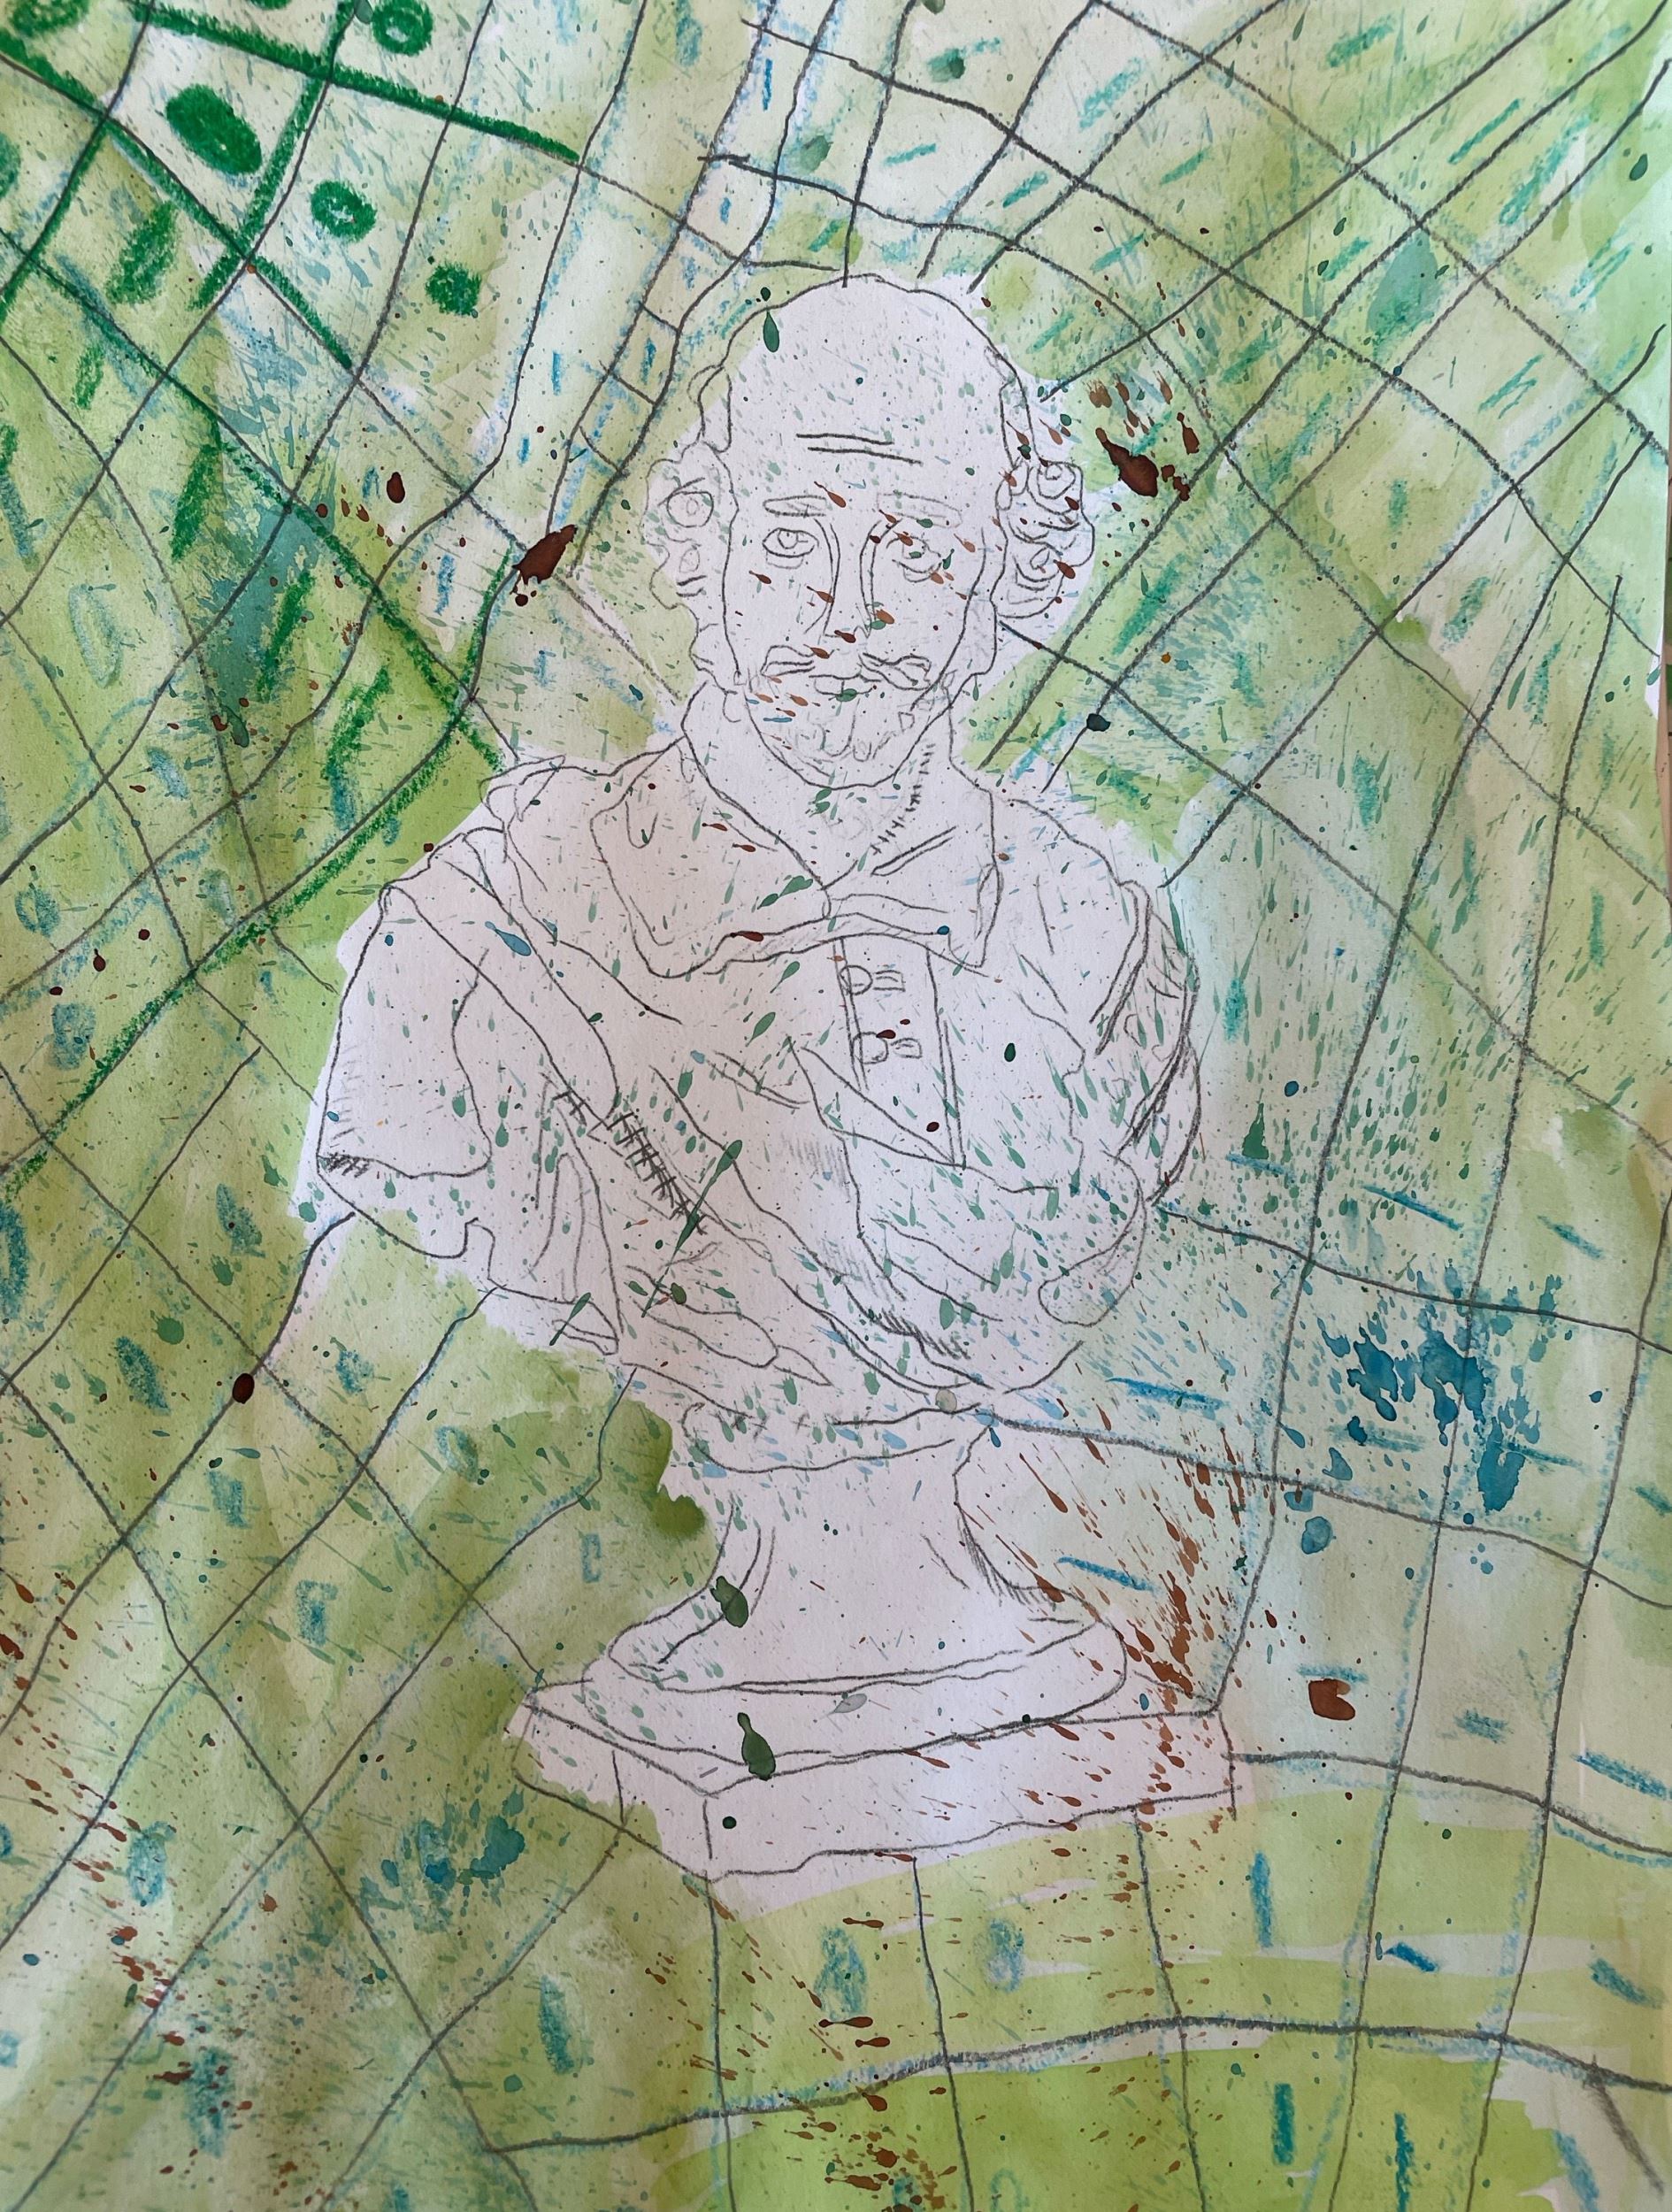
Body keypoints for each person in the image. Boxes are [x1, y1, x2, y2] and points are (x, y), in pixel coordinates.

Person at [311, 278, 1223, 1877]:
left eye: (920, 551)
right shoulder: (497, 924)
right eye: (794, 536)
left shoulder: (1096, 931)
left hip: (1031, 1689)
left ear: (1004, 581)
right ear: (704, 547)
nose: (846, 609)